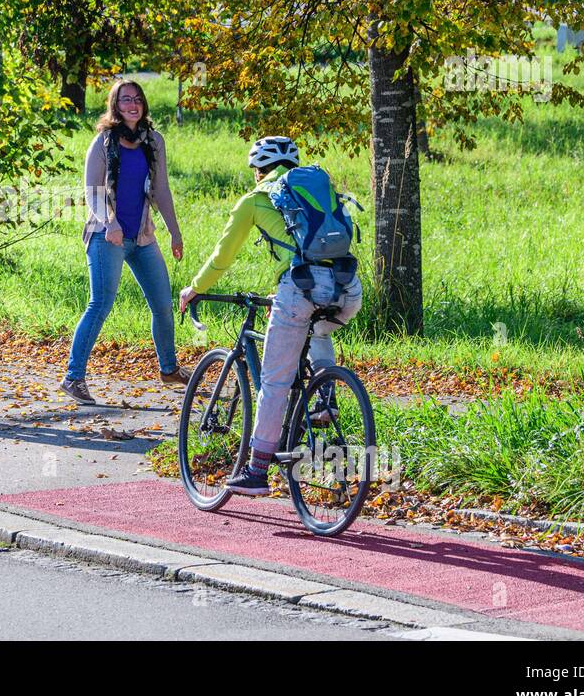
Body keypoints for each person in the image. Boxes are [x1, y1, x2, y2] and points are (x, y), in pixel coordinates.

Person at [178, 136, 362, 495]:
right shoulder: (313, 191)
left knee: (275, 383)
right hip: (346, 286)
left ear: (258, 169)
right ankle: (326, 400)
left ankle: (257, 471)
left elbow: (223, 255)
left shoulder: (256, 199)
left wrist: (195, 287)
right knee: (319, 333)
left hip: (300, 286)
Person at [60, 79, 189, 405]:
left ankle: (169, 369)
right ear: (115, 106)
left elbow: (161, 190)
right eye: (124, 100)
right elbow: (93, 192)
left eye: (137, 99)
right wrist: (111, 222)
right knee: (101, 303)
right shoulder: (103, 142)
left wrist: (174, 230)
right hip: (107, 236)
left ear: (143, 104)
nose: (132, 105)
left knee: (162, 303)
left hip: (142, 236)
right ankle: (74, 377)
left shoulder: (153, 141)